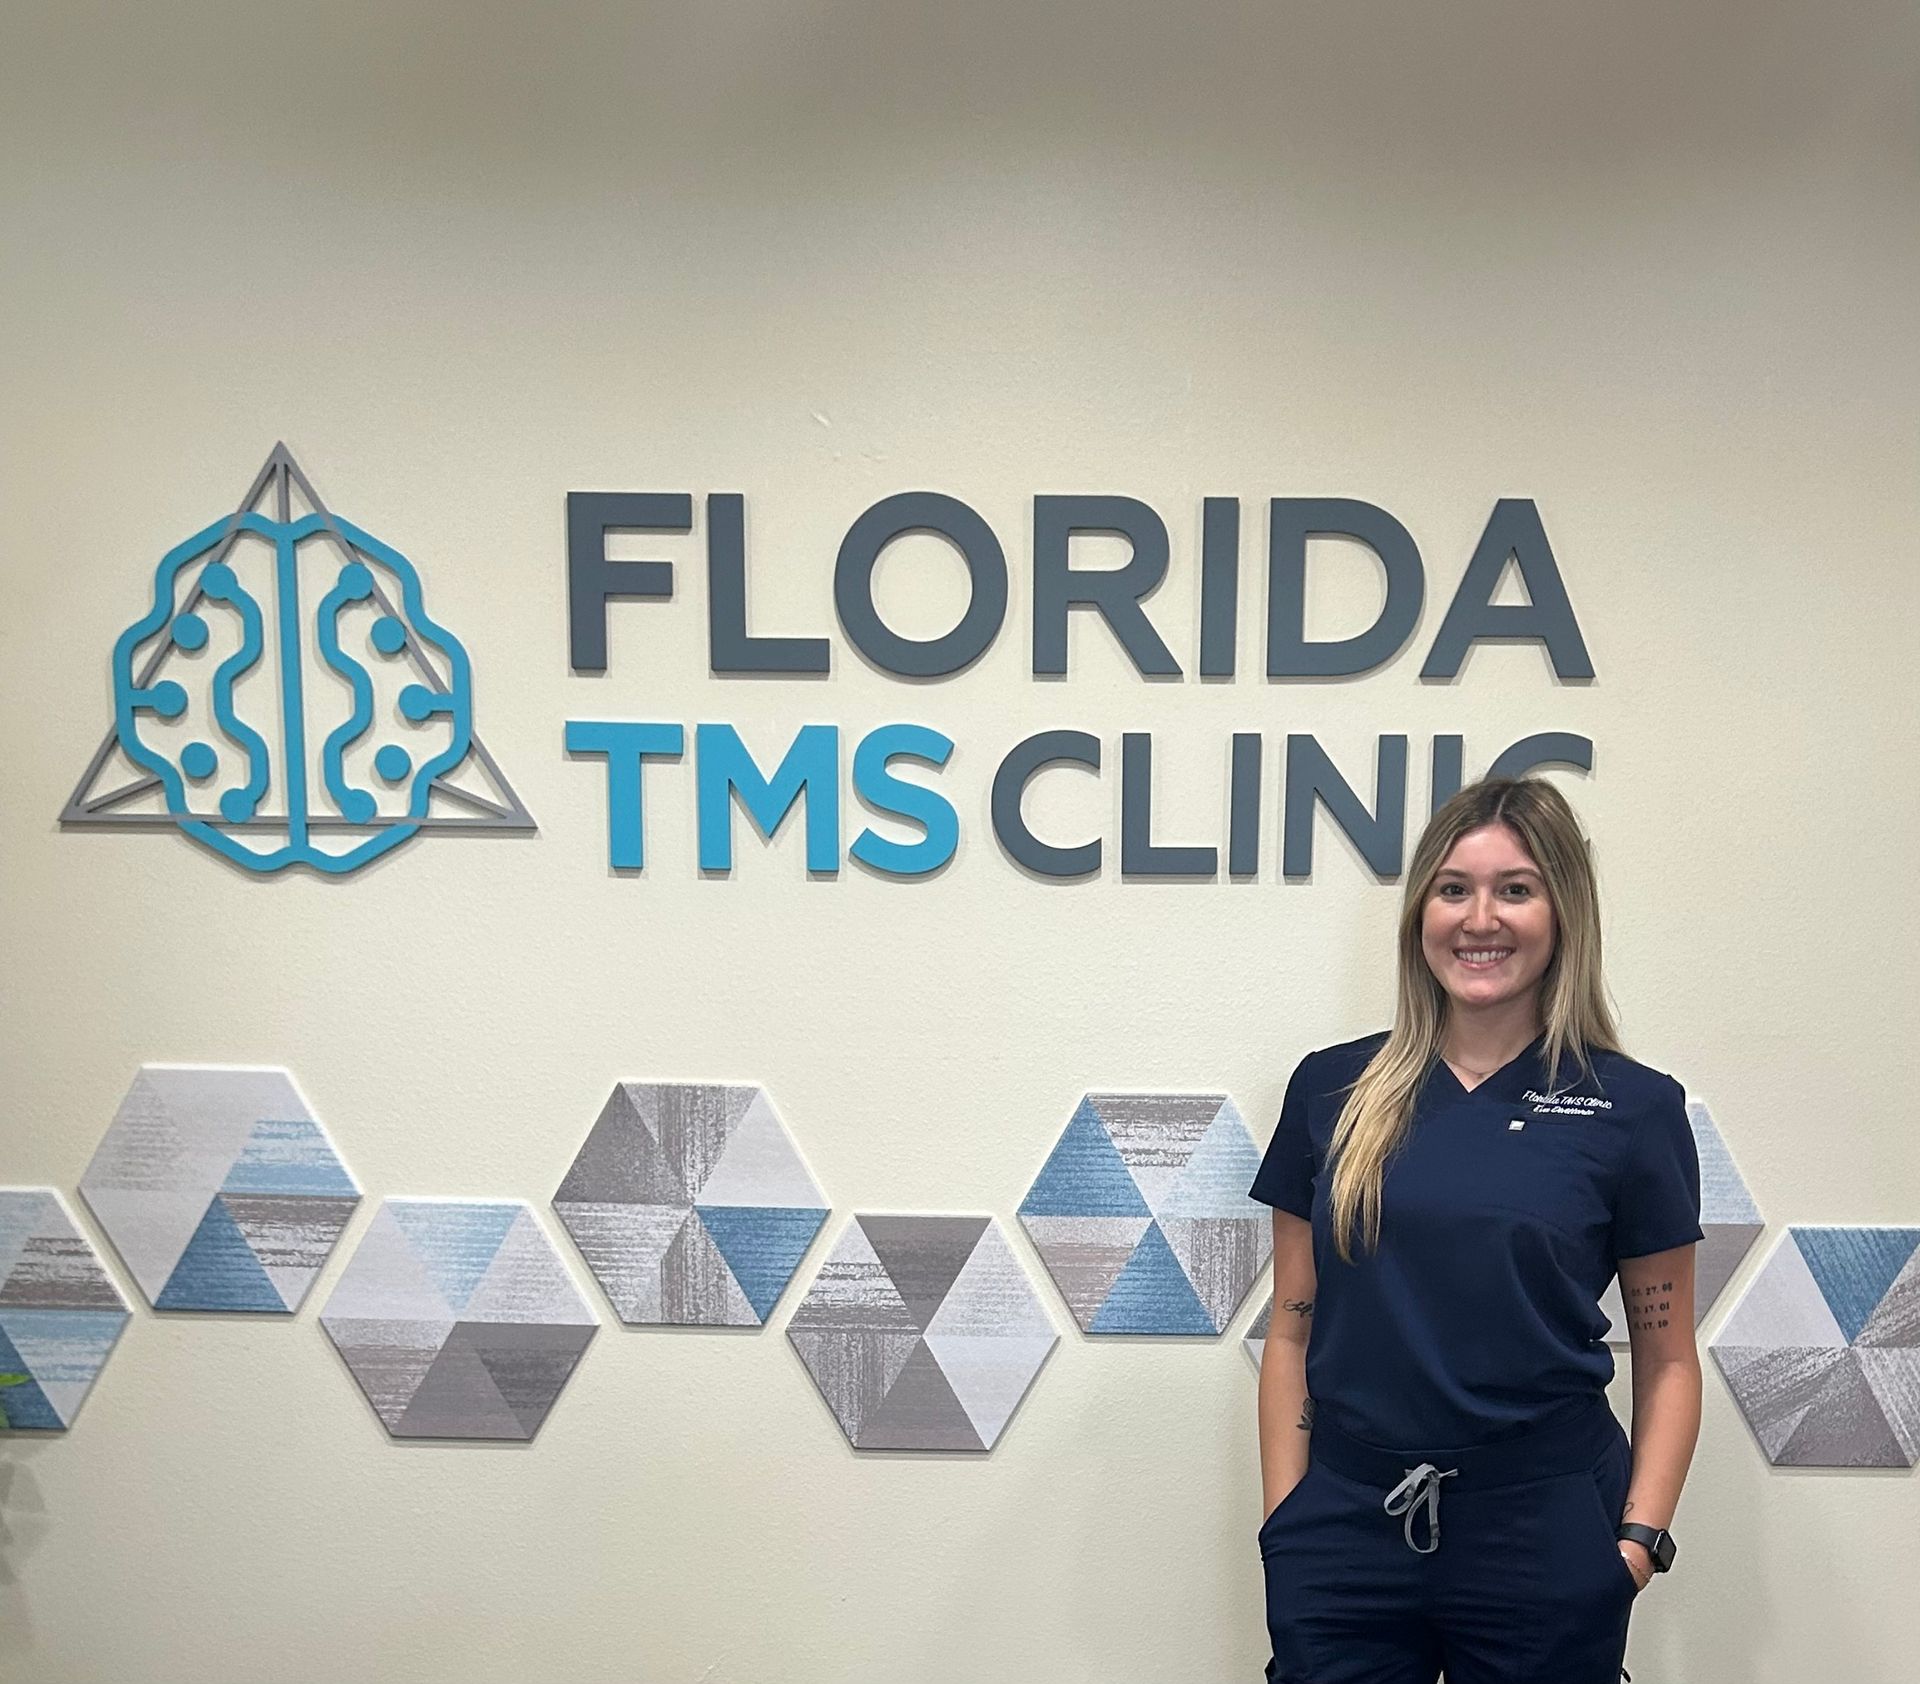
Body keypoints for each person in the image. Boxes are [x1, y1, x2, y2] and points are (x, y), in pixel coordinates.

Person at [1250, 776, 1703, 1684]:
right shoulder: (1332, 1092)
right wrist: (1287, 1522)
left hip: (1543, 1530)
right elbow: (1292, 1327)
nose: (1479, 918)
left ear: (1563, 911)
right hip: (1345, 1528)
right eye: (1454, 888)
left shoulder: (1633, 1108)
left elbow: (1669, 1358)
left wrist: (1638, 1541)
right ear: (1421, 910)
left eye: (1516, 889)